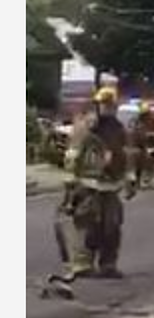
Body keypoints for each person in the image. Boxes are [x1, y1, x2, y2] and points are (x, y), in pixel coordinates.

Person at [44, 87, 133, 299]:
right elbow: (73, 155)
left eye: (111, 105)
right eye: (104, 104)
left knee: (112, 226)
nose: (108, 108)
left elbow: (126, 154)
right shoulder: (85, 127)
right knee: (85, 225)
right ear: (97, 105)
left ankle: (108, 264)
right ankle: (82, 264)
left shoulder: (118, 129)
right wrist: (70, 183)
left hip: (111, 185)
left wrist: (130, 178)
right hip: (88, 184)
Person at [129, 100, 154, 189]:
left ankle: (144, 182)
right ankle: (143, 182)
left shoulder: (152, 119)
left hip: (148, 145)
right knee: (144, 165)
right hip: (143, 146)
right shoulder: (139, 122)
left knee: (147, 165)